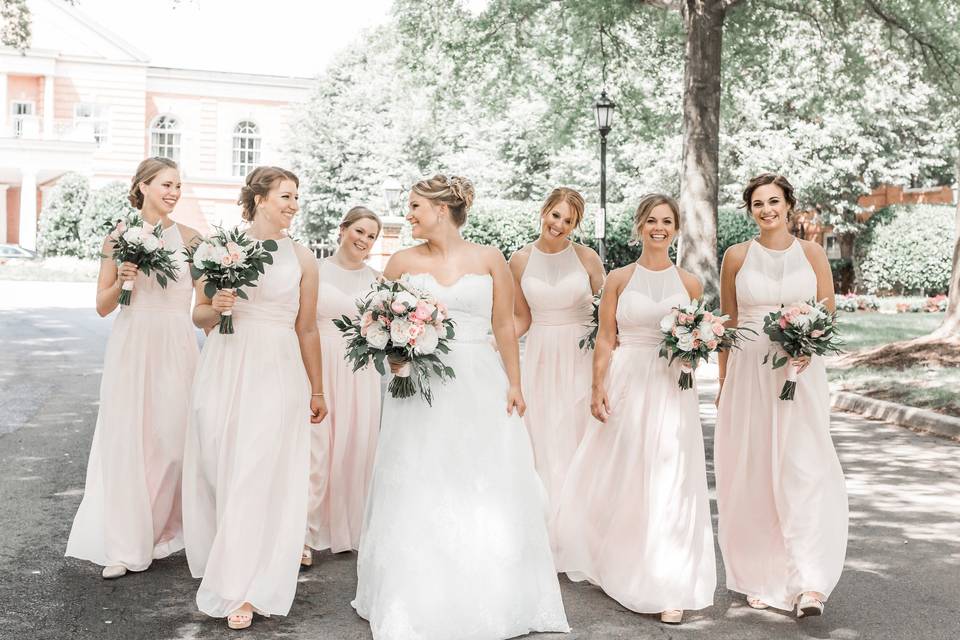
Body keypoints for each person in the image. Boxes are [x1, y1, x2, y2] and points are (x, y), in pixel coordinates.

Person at [352, 174, 569, 640]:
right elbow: (378, 321)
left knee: (482, 479)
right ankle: (413, 594)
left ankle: (488, 589)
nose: (408, 214)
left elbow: (506, 326)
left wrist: (515, 383)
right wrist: (394, 353)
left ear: (442, 210)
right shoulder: (400, 262)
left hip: (478, 380)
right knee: (418, 477)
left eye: (415, 206)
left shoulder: (490, 259)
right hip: (418, 385)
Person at [552, 193, 715, 625]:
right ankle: (619, 558)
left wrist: (695, 349)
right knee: (623, 470)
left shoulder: (690, 283)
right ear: (639, 226)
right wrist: (596, 387)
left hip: (671, 386)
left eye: (666, 221)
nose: (658, 228)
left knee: (671, 477)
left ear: (676, 229)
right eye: (651, 221)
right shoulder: (620, 279)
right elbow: (606, 338)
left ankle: (668, 579)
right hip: (627, 380)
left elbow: (698, 336)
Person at [181, 166, 327, 630]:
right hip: (225, 366)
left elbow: (307, 328)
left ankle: (245, 587)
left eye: (296, 197)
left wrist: (318, 388)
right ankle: (228, 558)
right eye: (285, 195)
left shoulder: (303, 258)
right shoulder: (217, 248)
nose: (293, 204)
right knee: (221, 467)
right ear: (259, 198)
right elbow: (199, 315)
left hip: (278, 371)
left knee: (257, 471)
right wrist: (216, 307)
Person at [715, 172, 848, 618]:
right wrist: (723, 382)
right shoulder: (735, 256)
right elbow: (729, 324)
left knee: (803, 467)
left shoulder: (811, 253)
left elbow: (827, 307)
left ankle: (809, 581)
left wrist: (811, 341)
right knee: (754, 470)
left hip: (800, 370)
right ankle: (762, 573)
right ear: (750, 210)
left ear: (789, 205)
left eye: (774, 201)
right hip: (750, 373)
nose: (767, 210)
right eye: (758, 204)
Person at [66, 157, 200, 580]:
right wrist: (123, 275)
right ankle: (127, 543)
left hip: (176, 344)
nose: (174, 192)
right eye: (166, 184)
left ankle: (163, 531)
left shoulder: (195, 240)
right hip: (132, 342)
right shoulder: (118, 238)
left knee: (174, 442)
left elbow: (209, 301)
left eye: (178, 185)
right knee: (129, 439)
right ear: (142, 186)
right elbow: (103, 306)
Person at [508, 187, 603, 527]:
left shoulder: (587, 258)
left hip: (581, 354)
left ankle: (580, 522)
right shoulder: (518, 261)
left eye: (569, 220)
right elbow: (520, 319)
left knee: (578, 432)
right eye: (556, 215)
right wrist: (487, 344)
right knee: (545, 434)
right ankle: (548, 523)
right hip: (542, 355)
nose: (560, 224)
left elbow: (606, 317)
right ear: (544, 211)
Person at [304, 206, 382, 563]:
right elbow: (299, 325)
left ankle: (347, 527)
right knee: (316, 450)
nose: (364, 241)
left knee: (355, 444)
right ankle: (304, 531)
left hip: (360, 370)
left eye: (371, 237)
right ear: (343, 228)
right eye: (360, 231)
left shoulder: (378, 281)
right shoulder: (316, 273)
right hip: (320, 364)